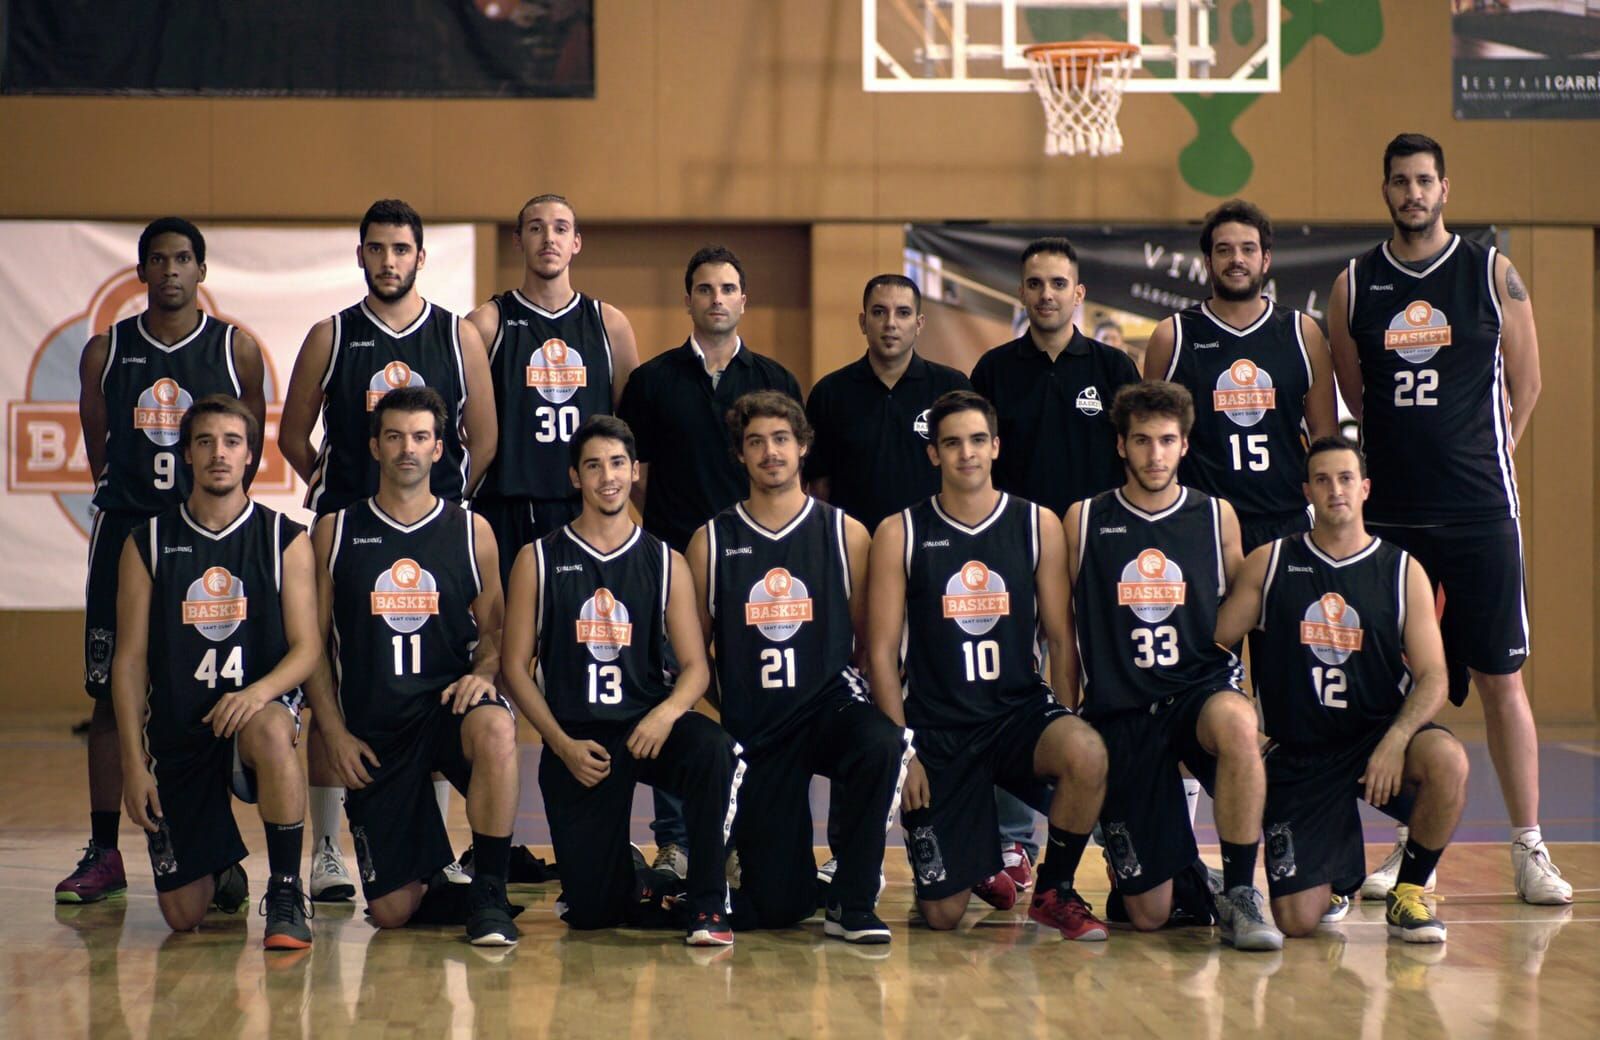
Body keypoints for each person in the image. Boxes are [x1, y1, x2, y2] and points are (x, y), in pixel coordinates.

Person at [1328, 132, 1568, 905]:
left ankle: (1529, 847)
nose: (1413, 193)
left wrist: (1483, 462)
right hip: (1393, 522)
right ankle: (1409, 843)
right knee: (1400, 689)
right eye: (1399, 181)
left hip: (1480, 514)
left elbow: (1526, 384)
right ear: (1386, 189)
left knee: (1503, 679)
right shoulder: (1355, 285)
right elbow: (1356, 399)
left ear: (1445, 188)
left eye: (1424, 180)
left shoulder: (1491, 273)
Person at [279, 198, 498, 903]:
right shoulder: (331, 334)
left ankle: (430, 850)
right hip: (350, 527)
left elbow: (484, 436)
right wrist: (332, 486)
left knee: (431, 671)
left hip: (431, 524)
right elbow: (290, 432)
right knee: (337, 680)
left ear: (420, 257)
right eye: (376, 248)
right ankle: (327, 852)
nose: (389, 260)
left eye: (401, 248)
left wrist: (445, 502)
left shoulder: (457, 336)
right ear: (361, 256)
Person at [805, 274, 1034, 892]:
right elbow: (818, 494)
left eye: (903, 312)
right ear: (862, 321)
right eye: (878, 312)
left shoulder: (948, 393)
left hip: (944, 573)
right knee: (858, 704)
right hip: (864, 573)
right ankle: (851, 853)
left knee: (972, 696)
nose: (890, 323)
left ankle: (998, 848)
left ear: (919, 323)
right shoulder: (830, 395)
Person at [62, 217, 267, 905]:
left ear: (201, 272)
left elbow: (250, 444)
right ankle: (103, 849)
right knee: (108, 693)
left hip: (204, 539)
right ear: (142, 271)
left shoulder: (236, 349)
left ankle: (215, 848)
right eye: (159, 259)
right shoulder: (106, 351)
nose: (172, 270)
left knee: (210, 688)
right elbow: (100, 445)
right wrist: (136, 509)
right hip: (128, 529)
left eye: (184, 258)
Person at [866, 390, 1109, 939]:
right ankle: (978, 862)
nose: (966, 454)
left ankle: (1054, 889)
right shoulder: (899, 532)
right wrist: (904, 753)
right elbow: (880, 653)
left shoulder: (1036, 524)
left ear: (996, 446)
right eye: (951, 443)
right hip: (940, 727)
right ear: (933, 455)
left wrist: (1066, 715)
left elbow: (1061, 637)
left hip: (1017, 715)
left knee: (1087, 752)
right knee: (942, 916)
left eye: (978, 440)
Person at [499, 416, 741, 946]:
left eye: (616, 464)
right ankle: (634, 875)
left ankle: (707, 902)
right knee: (592, 914)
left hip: (647, 727)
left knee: (712, 748)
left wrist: (666, 713)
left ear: (634, 471)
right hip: (579, 741)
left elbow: (698, 667)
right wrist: (558, 744)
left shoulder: (665, 560)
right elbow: (514, 667)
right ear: (574, 477)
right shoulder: (537, 559)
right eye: (593, 466)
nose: (607, 476)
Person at [1215, 434, 1468, 942]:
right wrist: (1238, 712)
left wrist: (1396, 742)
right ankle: (1342, 872)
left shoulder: (1401, 570)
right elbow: (1217, 646)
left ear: (1366, 488)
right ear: (1306, 490)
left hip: (1377, 740)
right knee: (1297, 922)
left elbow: (1434, 675)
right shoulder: (1270, 563)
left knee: (1447, 760)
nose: (1336, 490)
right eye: (1324, 480)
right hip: (1301, 753)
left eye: (1346, 479)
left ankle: (1408, 893)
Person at [1065, 380, 1281, 950]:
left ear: (1185, 445)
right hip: (1121, 709)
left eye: (1166, 441)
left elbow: (1240, 614)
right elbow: (1060, 627)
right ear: (1121, 446)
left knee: (1237, 724)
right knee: (1150, 916)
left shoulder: (1216, 517)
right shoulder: (1083, 519)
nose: (1154, 454)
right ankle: (1185, 871)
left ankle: (1238, 892)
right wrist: (1067, 715)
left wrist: (1249, 697)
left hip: (1196, 694)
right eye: (1141, 441)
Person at [686, 392, 909, 943]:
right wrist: (731, 700)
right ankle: (784, 878)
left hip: (828, 709)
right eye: (756, 442)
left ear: (803, 446)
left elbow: (868, 641)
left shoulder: (847, 533)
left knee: (881, 742)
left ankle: (854, 901)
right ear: (739, 454)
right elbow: (693, 655)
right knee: (781, 907)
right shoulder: (711, 541)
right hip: (759, 728)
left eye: (781, 440)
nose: (770, 452)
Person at [303, 387, 521, 946]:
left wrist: (484, 672)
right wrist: (335, 732)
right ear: (374, 446)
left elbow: (498, 632)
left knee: (496, 725)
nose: (408, 449)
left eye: (420, 437)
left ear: (438, 448)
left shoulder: (473, 532)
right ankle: (435, 877)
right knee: (392, 911)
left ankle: (489, 891)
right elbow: (313, 647)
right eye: (395, 436)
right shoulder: (336, 530)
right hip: (377, 733)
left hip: (447, 711)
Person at [616, 245, 802, 878]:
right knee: (676, 694)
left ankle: (749, 833)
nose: (716, 298)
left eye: (728, 288)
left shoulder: (775, 379)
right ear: (688, 299)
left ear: (743, 300)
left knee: (749, 697)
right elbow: (630, 475)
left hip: (759, 572)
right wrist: (674, 529)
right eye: (705, 289)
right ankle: (677, 839)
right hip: (675, 568)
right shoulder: (652, 382)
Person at [112, 396, 318, 947]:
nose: (218, 454)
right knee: (183, 914)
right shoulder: (147, 542)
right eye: (204, 442)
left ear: (250, 455)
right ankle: (222, 862)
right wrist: (133, 765)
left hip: (253, 717)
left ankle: (285, 888)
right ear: (186, 456)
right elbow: (129, 661)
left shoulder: (286, 538)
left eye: (231, 442)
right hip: (180, 730)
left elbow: (307, 649)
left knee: (273, 728)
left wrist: (258, 694)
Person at [1143, 199, 1338, 552]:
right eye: (1224, 250)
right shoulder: (1172, 337)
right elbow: (1151, 437)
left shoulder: (1302, 332)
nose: (1237, 259)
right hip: (1203, 522)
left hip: (1287, 517)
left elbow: (1325, 436)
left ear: (1266, 258)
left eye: (1248, 249)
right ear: (1207, 262)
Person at [466, 193, 640, 582]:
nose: (549, 238)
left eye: (561, 229)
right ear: (518, 240)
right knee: (507, 636)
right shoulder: (486, 324)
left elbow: (630, 431)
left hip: (586, 506)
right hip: (505, 507)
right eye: (536, 228)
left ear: (576, 242)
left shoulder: (609, 324)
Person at [970, 236, 1141, 517]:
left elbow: (1138, 450)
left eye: (1058, 284)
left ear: (1079, 294)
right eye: (1035, 284)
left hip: (1099, 529)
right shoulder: (992, 369)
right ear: (1022, 293)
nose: (1046, 294)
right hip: (1017, 531)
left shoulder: (1115, 367)